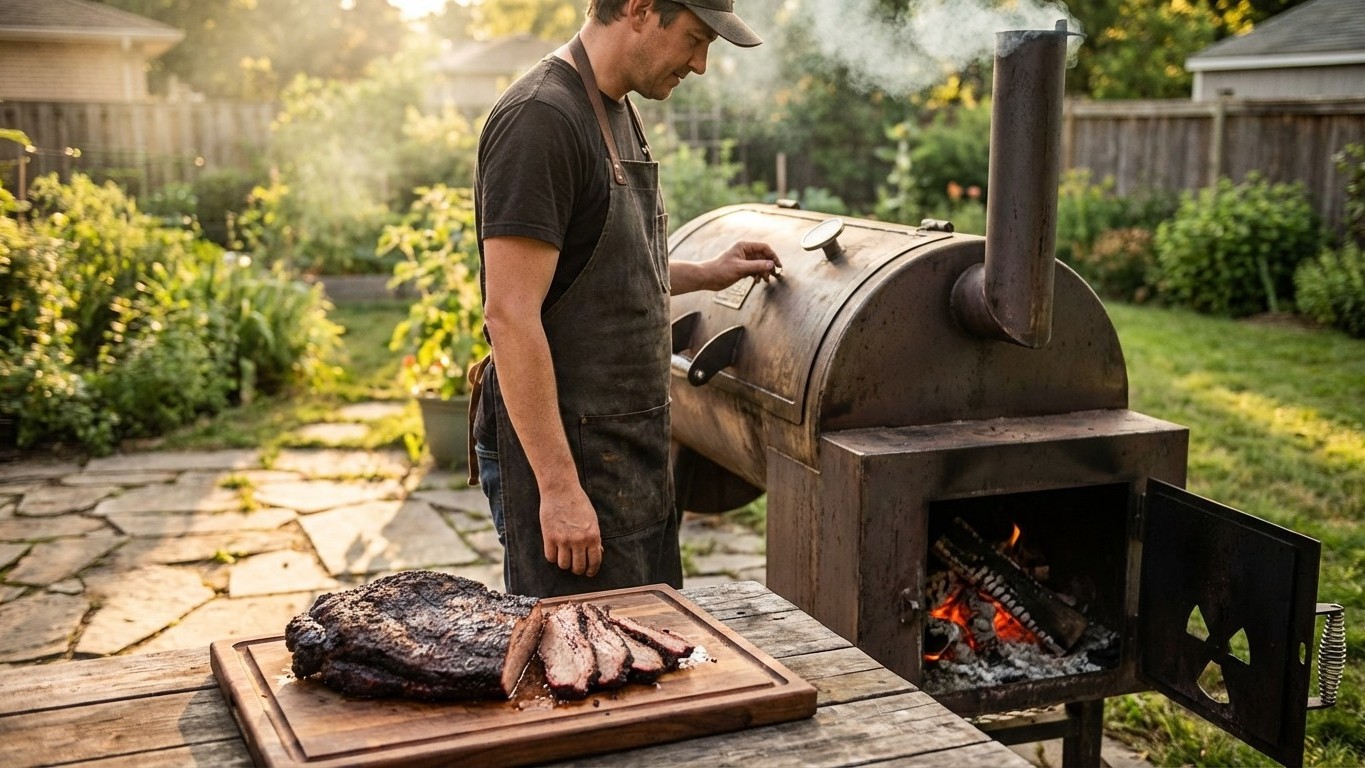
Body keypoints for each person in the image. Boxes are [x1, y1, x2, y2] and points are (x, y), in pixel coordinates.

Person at [471, 0, 778, 598]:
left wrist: (707, 273)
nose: (700, 64)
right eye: (695, 38)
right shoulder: (541, 119)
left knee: (652, 635)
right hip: (571, 458)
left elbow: (601, 270)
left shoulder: (616, 109)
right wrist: (559, 488)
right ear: (639, 9)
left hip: (629, 452)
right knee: (583, 648)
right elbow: (509, 315)